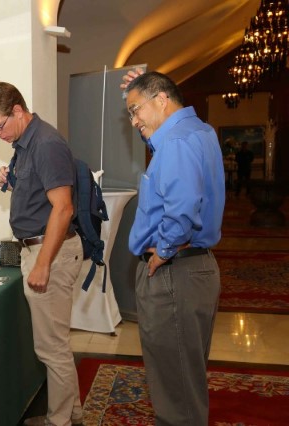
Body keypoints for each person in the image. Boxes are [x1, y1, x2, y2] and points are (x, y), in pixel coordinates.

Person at [0, 82, 84, 426]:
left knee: (51, 348)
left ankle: (59, 421)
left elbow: (63, 209)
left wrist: (43, 263)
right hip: (38, 248)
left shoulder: (46, 144)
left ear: (18, 111)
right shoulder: (25, 143)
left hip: (50, 251)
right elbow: (38, 194)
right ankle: (72, 413)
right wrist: (9, 180)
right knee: (55, 344)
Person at [121, 70, 225, 425]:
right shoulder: (199, 132)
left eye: (135, 110)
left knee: (174, 388)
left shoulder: (177, 143)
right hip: (195, 268)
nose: (134, 121)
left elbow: (181, 209)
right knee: (184, 376)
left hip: (173, 271)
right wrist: (141, 92)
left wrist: (164, 250)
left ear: (162, 99)